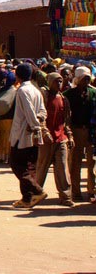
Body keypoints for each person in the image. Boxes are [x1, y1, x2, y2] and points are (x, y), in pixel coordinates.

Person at [9, 63, 48, 208]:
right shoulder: (36, 90)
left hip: (23, 134)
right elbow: (42, 111)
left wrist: (35, 127)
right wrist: (39, 122)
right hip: (31, 132)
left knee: (16, 164)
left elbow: (29, 112)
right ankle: (27, 198)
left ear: (17, 76)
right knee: (26, 166)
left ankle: (37, 190)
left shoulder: (23, 90)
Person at [35, 72, 74, 207]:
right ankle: (35, 194)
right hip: (47, 140)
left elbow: (66, 120)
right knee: (41, 167)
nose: (58, 84)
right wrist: (44, 132)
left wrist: (69, 135)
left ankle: (66, 196)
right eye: (56, 81)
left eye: (60, 81)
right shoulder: (44, 97)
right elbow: (40, 117)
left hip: (60, 138)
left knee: (63, 168)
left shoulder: (64, 99)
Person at [63, 66, 96, 202]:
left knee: (91, 162)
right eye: (84, 78)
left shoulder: (93, 93)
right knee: (75, 162)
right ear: (78, 79)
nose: (87, 81)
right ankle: (76, 192)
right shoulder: (68, 95)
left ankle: (91, 191)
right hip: (76, 130)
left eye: (88, 78)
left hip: (91, 131)